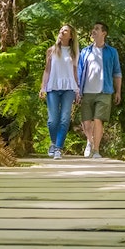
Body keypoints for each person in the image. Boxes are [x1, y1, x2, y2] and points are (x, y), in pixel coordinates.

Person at [76, 22, 121, 158]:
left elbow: (117, 72)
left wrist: (118, 91)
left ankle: (96, 150)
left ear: (104, 33)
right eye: (93, 28)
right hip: (87, 91)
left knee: (98, 119)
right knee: (86, 121)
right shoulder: (85, 51)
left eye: (97, 29)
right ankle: (89, 141)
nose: (93, 31)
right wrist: (77, 90)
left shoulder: (112, 52)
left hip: (105, 91)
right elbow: (79, 71)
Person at [38, 24, 80, 160]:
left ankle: (58, 148)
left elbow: (74, 72)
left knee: (65, 118)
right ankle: (53, 142)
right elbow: (47, 70)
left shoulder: (74, 53)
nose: (61, 31)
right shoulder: (51, 50)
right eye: (61, 29)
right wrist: (42, 87)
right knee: (52, 120)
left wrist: (78, 90)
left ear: (71, 35)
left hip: (69, 88)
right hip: (53, 87)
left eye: (65, 30)